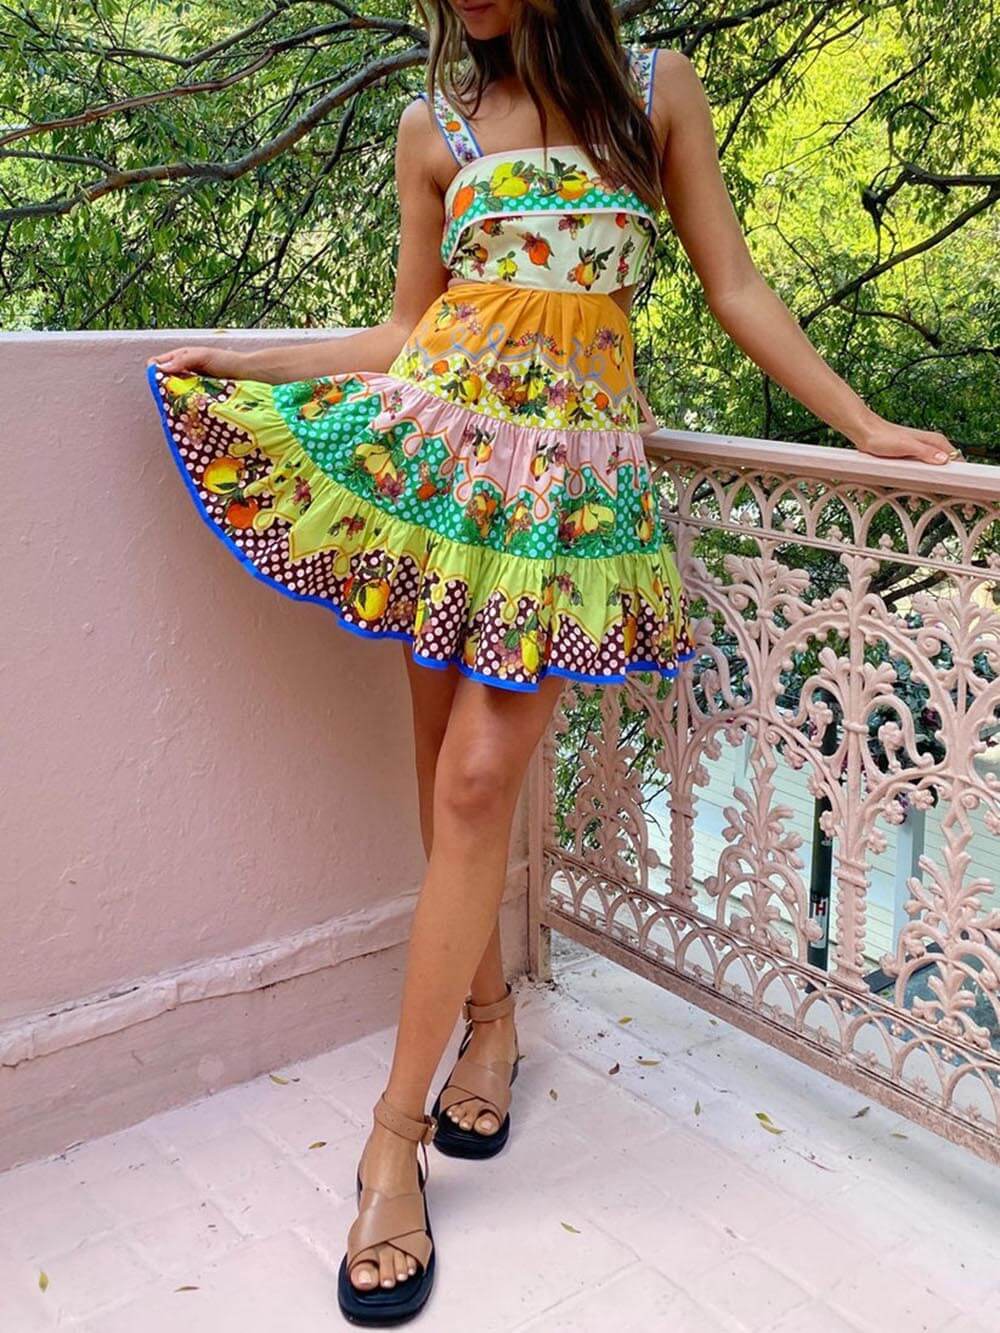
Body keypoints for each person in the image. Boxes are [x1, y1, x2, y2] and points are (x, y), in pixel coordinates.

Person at [145, 0, 959, 1322]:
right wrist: (243, 357)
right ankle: (494, 1025)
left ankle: (392, 1142)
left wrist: (862, 424)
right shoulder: (435, 126)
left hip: (569, 506)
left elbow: (735, 285)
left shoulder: (654, 90)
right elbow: (406, 332)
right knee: (440, 773)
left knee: (476, 785)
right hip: (438, 473)